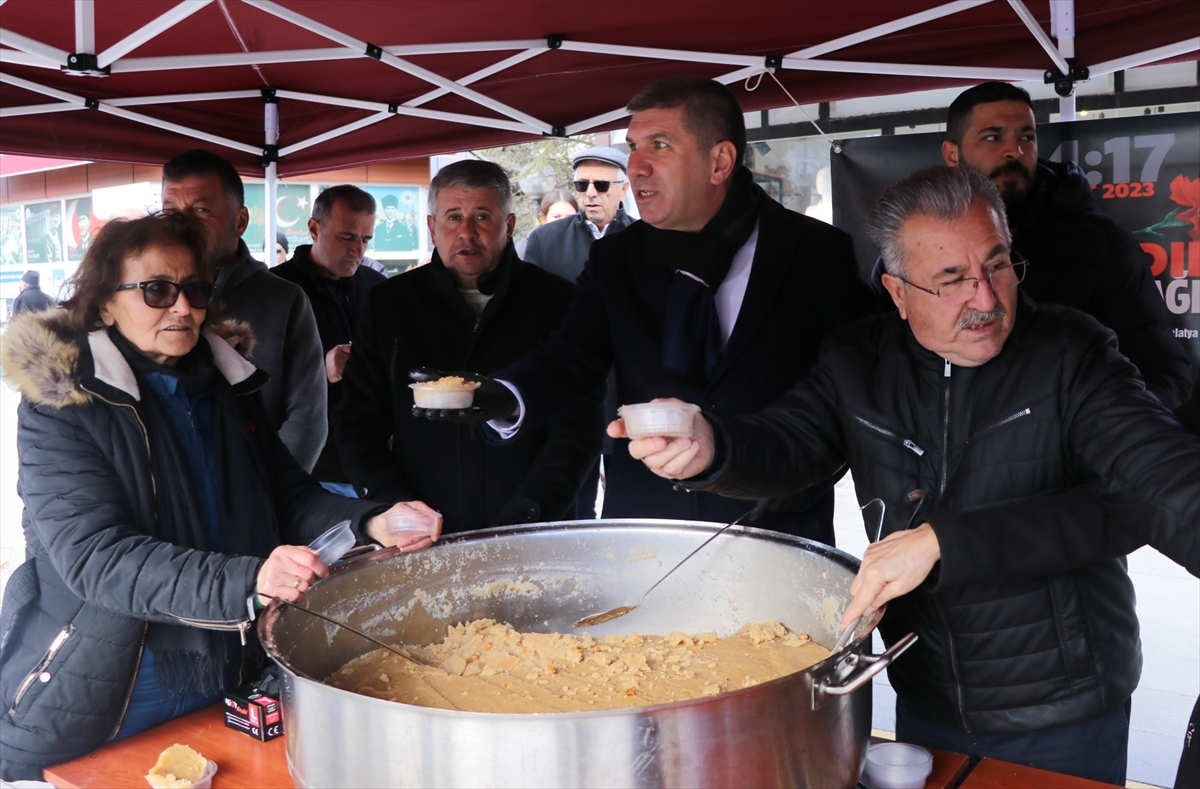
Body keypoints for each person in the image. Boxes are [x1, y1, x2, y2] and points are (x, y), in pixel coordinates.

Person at [624, 166, 1199, 785]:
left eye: (998, 266)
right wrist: (713, 446)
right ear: (898, 293)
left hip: (1060, 702)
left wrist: (944, 541)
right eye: (951, 280)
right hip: (925, 691)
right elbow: (789, 444)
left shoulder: (1071, 353)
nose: (985, 299)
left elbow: (1162, 481)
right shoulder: (857, 360)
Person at [0, 213, 433, 781]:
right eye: (156, 290)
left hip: (233, 665)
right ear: (106, 303)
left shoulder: (226, 386)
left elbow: (284, 495)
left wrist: (372, 521)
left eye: (196, 289)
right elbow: (95, 557)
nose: (182, 307)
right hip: (113, 680)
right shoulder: (61, 405)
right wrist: (250, 581)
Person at [416, 77, 877, 544]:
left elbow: (855, 394)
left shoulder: (817, 254)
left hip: (774, 522)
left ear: (719, 161)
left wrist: (802, 481)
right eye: (634, 146)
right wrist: (506, 395)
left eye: (660, 145)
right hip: (647, 525)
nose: (636, 167)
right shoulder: (617, 258)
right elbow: (573, 356)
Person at [335, 160, 603, 533]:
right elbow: (358, 423)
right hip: (420, 528)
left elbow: (579, 431)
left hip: (536, 527)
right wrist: (394, 503)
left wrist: (525, 516)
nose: (466, 232)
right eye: (452, 217)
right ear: (431, 228)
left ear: (508, 226)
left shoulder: (560, 302)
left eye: (481, 216)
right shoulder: (389, 304)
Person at [926, 82, 1189, 411]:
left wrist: (1090, 434)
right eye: (993, 137)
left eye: (1027, 136)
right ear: (952, 154)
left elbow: (1166, 374)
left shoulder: (1099, 242)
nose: (1015, 151)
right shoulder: (916, 247)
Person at [162, 149, 327, 473]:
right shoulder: (143, 297)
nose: (182, 224)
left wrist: (269, 493)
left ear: (240, 221)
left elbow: (307, 416)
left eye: (201, 210)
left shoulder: (283, 298)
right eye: (171, 211)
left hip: (262, 490)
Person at [273, 185, 387, 496]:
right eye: (347, 237)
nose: (358, 250)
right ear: (314, 228)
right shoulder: (276, 289)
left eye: (365, 239)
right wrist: (318, 369)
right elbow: (253, 380)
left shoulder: (377, 287)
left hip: (376, 461)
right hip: (309, 465)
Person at [522, 146, 634, 283]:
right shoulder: (544, 240)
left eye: (601, 185)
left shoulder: (646, 238)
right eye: (582, 184)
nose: (590, 193)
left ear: (623, 189)